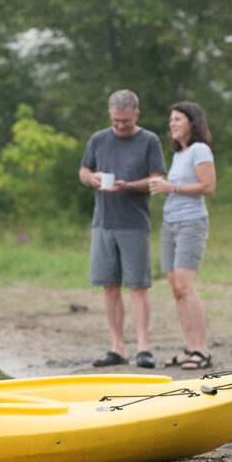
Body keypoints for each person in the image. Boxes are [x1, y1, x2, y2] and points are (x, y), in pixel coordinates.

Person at [79, 89, 167, 368]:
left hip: (134, 223)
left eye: (125, 121)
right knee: (109, 286)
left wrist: (128, 185)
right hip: (103, 223)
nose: (120, 126)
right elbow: (83, 171)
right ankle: (118, 347)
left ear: (136, 115)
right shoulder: (98, 139)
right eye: (116, 120)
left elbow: (157, 179)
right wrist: (92, 178)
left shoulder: (149, 141)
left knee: (138, 287)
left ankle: (143, 348)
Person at [148, 101, 216, 369]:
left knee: (186, 287)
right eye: (170, 120)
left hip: (191, 223)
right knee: (176, 290)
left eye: (177, 119)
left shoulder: (200, 150)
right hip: (170, 224)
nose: (172, 124)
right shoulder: (179, 154)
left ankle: (202, 350)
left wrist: (171, 187)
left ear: (192, 122)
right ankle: (189, 348)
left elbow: (208, 187)